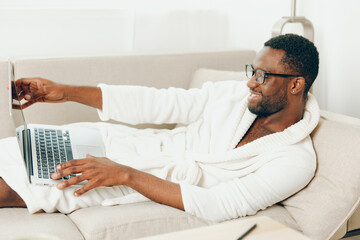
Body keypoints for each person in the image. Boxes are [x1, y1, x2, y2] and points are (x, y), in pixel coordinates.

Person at [0, 33, 319, 222]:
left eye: (263, 76)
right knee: (13, 148)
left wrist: (124, 174)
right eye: (253, 70)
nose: (250, 81)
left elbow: (220, 205)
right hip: (118, 144)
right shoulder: (234, 94)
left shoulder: (294, 161)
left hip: (141, 180)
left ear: (296, 85)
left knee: (21, 187)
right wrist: (65, 91)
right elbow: (156, 102)